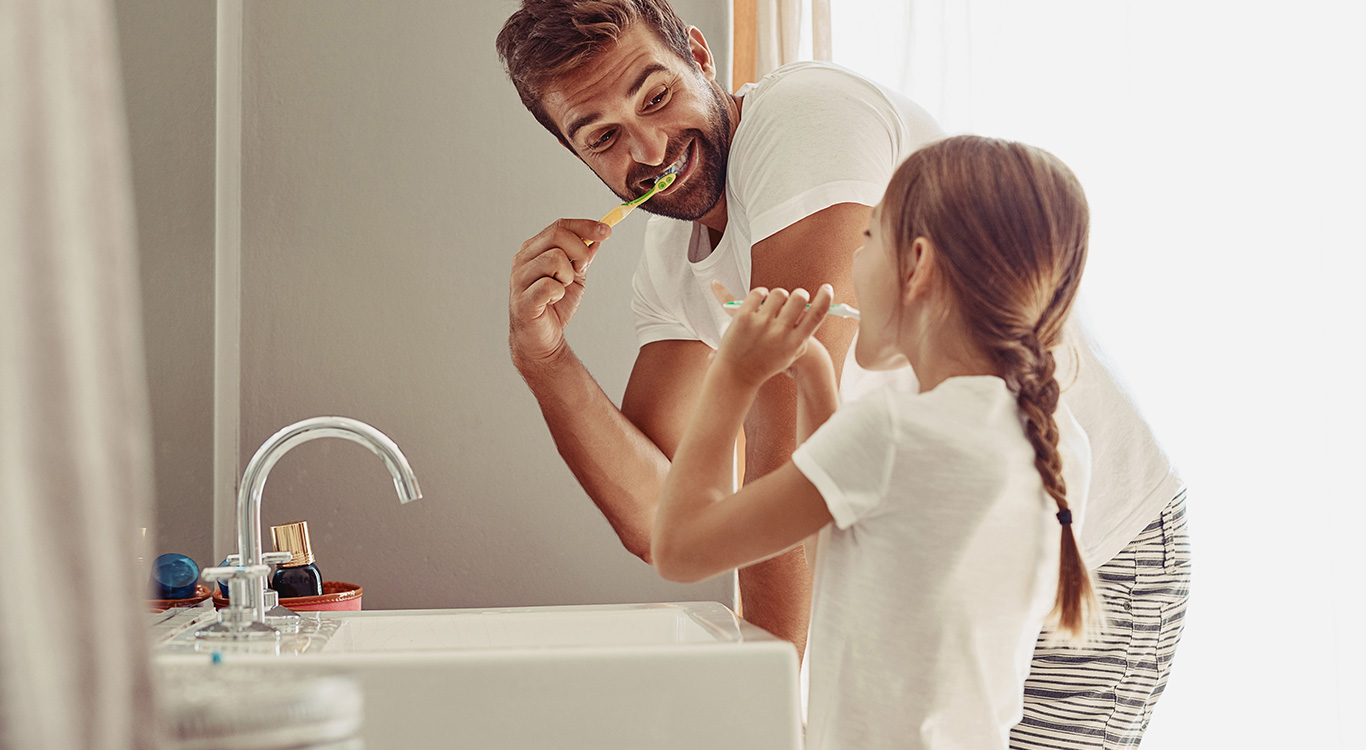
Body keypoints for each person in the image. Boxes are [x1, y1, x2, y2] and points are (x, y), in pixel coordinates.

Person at [496, 1, 1190, 746]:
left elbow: (734, 505)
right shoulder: (673, 263)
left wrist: (760, 722)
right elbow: (660, 514)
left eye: (656, 95)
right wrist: (543, 358)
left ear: (701, 55)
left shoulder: (802, 125)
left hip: (1091, 560)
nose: (650, 147)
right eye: (603, 136)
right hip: (952, 602)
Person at [653, 135, 1097, 749]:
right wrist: (810, 372)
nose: (854, 260)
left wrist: (734, 375)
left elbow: (679, 548)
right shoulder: (1053, 439)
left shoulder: (891, 432)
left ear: (915, 264)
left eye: (867, 236)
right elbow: (842, 546)